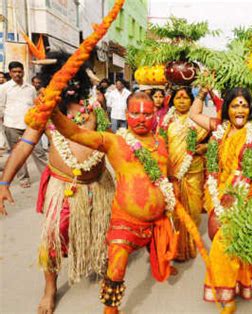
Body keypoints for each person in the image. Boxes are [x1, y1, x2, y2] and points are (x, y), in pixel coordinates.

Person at [43, 91, 205, 314]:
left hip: (158, 219)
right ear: (125, 114)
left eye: (147, 114)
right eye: (135, 113)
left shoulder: (159, 142)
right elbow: (74, 132)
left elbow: (164, 174)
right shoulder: (114, 141)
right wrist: (53, 113)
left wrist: (172, 197)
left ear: (156, 116)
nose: (141, 118)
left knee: (161, 254)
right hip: (126, 220)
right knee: (117, 267)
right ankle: (111, 308)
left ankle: (159, 260)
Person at [0, 52, 114, 314]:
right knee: (52, 238)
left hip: (99, 184)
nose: (72, 82)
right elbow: (25, 144)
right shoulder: (46, 110)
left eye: (76, 76)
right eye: (66, 77)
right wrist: (4, 182)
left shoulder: (95, 105)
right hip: (63, 187)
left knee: (106, 233)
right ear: (53, 80)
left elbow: (109, 141)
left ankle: (109, 272)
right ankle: (49, 290)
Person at [189, 86, 252, 314]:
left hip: (244, 194)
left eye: (244, 105)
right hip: (219, 191)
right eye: (235, 105)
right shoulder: (221, 129)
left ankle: (227, 298)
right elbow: (194, 115)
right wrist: (202, 92)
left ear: (250, 109)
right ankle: (239, 284)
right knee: (226, 241)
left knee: (222, 245)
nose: (240, 109)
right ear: (227, 108)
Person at [159, 86, 208, 262]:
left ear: (191, 100)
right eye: (178, 98)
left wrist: (204, 147)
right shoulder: (166, 121)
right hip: (172, 172)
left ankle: (189, 243)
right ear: (172, 100)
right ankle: (175, 246)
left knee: (193, 210)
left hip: (193, 171)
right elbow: (160, 144)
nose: (181, 101)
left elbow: (216, 139)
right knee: (172, 210)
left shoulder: (197, 119)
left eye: (185, 98)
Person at [0, 61, 48, 188]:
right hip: (12, 125)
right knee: (17, 153)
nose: (17, 74)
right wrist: (3, 124)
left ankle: (47, 175)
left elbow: (34, 105)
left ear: (23, 72)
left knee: (39, 152)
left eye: (19, 71)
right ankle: (23, 178)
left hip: (31, 126)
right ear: (10, 73)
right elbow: (1, 106)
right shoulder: (4, 88)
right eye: (14, 72)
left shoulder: (31, 88)